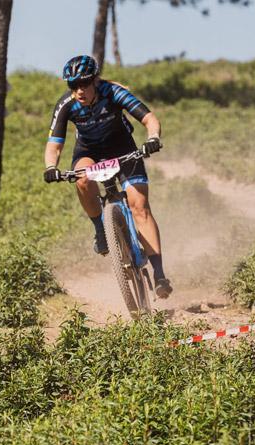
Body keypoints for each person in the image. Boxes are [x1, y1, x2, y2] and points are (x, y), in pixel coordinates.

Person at [42, 55, 172, 299]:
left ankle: (159, 273)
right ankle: (101, 230)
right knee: (81, 179)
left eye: (84, 83)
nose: (79, 90)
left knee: (139, 207)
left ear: (95, 80)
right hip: (89, 151)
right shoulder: (67, 105)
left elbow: (149, 118)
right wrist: (51, 166)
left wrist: (152, 138)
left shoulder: (113, 92)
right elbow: (54, 144)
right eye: (72, 85)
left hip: (123, 147)